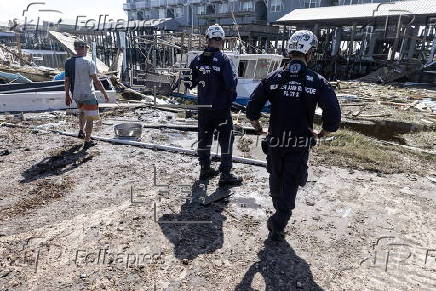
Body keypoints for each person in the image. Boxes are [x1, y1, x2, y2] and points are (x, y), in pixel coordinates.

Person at [246, 30, 341, 241]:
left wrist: (257, 125)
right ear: (310, 53)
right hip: (299, 143)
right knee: (291, 180)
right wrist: (322, 132)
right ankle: (279, 221)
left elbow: (252, 107)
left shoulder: (273, 77)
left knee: (276, 176)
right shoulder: (317, 81)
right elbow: (333, 115)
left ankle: (278, 217)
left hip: (275, 141)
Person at [186, 24, 242, 186]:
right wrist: (231, 99)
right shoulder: (224, 60)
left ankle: (205, 168)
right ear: (222, 41)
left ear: (207, 39)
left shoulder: (197, 59)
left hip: (204, 108)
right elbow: (231, 83)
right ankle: (225, 173)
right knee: (226, 140)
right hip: (221, 109)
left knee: (204, 139)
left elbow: (189, 83)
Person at [64, 39, 109, 149]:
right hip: (88, 94)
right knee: (90, 118)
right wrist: (104, 93)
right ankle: (87, 140)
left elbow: (67, 80)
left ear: (75, 49)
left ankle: (80, 131)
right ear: (83, 48)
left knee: (82, 112)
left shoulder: (68, 62)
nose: (86, 50)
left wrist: (67, 95)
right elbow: (96, 81)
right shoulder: (89, 62)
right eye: (86, 48)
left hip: (76, 95)